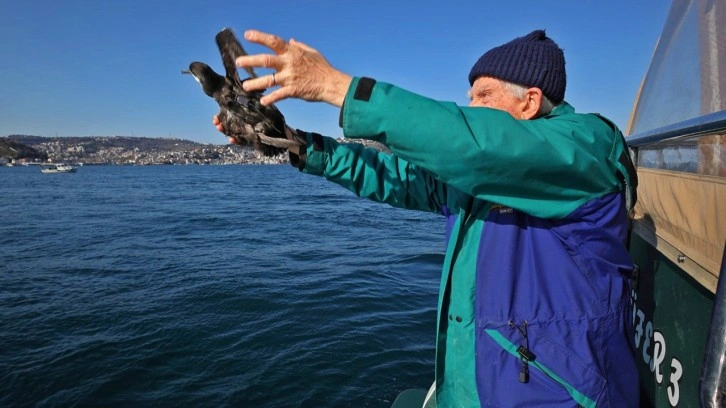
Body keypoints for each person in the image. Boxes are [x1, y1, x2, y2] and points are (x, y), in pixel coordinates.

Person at [214, 29, 639, 407]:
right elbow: (397, 176)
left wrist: (336, 87)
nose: (469, 106)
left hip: (555, 394)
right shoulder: (480, 177)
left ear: (529, 102)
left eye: (483, 95)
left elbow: (475, 143)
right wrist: (296, 144)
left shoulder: (586, 147)